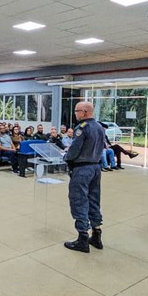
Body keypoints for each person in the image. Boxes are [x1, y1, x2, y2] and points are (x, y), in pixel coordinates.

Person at [64, 101, 106, 253]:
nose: (75, 114)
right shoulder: (99, 127)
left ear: (84, 112)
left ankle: (82, 238)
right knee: (94, 200)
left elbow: (75, 149)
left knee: (79, 200)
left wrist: (66, 157)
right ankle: (96, 234)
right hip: (95, 168)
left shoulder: (82, 128)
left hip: (82, 169)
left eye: (77, 111)